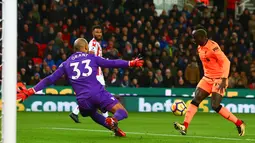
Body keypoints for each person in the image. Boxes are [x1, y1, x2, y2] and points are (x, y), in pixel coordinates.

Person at [17, 38, 144, 137]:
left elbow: (50, 79)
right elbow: (112, 63)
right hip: (98, 93)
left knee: (92, 113)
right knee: (122, 111)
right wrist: (130, 63)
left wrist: (31, 91)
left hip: (83, 101)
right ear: (85, 47)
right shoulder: (91, 57)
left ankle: (114, 128)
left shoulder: (66, 63)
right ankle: (114, 120)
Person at [173, 26, 245, 136]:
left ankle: (239, 123)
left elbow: (226, 62)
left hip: (219, 78)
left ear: (202, 37)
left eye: (195, 38)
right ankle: (185, 126)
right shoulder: (199, 47)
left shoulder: (213, 47)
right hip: (207, 78)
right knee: (195, 99)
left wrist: (224, 79)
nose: (194, 40)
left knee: (215, 106)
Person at [70, 25, 108, 123]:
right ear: (93, 33)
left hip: (98, 72)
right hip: (96, 73)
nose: (99, 34)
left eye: (100, 32)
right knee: (101, 94)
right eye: (97, 32)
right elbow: (90, 56)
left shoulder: (96, 44)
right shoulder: (93, 44)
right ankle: (108, 119)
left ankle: (75, 112)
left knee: (95, 95)